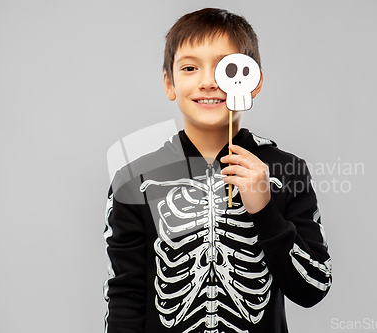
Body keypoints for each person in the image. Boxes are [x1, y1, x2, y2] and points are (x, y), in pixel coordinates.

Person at [104, 8, 332, 333]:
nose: (208, 81)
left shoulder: (286, 170)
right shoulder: (135, 181)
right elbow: (126, 295)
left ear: (252, 82)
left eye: (227, 68)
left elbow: (313, 288)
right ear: (169, 83)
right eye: (189, 68)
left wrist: (265, 210)